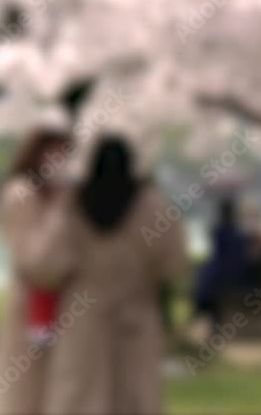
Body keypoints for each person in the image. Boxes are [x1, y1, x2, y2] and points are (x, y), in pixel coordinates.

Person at [43, 136, 188, 414]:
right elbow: (174, 263)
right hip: (135, 312)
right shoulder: (152, 205)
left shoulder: (72, 204)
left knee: (80, 393)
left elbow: (50, 261)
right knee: (136, 393)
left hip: (82, 312)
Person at [0, 128, 76, 415]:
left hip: (65, 311)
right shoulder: (21, 194)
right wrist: (63, 202)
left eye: (65, 151)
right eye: (52, 151)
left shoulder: (62, 197)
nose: (59, 160)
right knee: (26, 396)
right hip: (31, 310)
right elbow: (38, 263)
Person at [192, 196, 250, 326]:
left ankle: (202, 315)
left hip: (223, 275)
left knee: (205, 284)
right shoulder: (238, 233)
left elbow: (219, 250)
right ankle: (207, 317)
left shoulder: (221, 232)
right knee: (206, 280)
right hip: (234, 274)